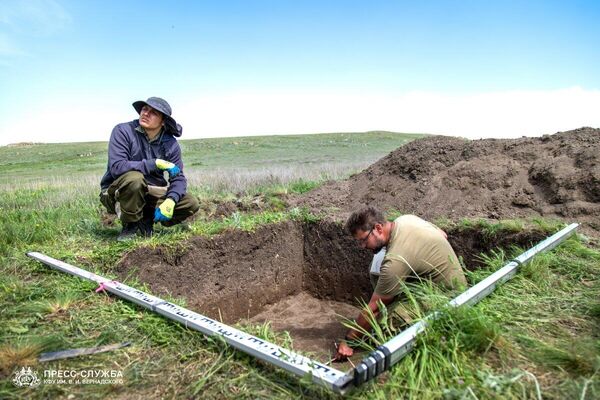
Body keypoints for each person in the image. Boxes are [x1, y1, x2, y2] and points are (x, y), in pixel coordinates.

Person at [334, 206, 467, 361]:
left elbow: (374, 309)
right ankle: (391, 299)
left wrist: (349, 340)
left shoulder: (395, 260)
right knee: (376, 268)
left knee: (383, 327)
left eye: (364, 240)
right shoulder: (406, 219)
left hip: (449, 299)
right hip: (438, 281)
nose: (362, 246)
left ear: (378, 228)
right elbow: (442, 234)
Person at [100, 97, 200, 241]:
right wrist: (154, 163)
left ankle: (146, 220)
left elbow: (179, 178)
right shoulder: (123, 131)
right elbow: (117, 167)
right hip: (118, 191)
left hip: (150, 192)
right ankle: (130, 225)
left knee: (190, 202)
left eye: (154, 112)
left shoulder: (170, 144)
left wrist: (171, 200)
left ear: (163, 121)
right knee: (135, 179)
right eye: (145, 109)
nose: (146, 113)